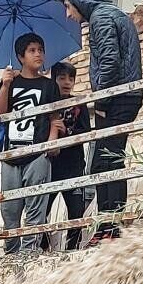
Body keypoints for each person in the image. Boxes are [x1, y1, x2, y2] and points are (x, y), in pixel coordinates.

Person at [57, 0, 143, 243]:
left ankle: (111, 229)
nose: (68, 14)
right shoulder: (110, 14)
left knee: (108, 160)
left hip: (117, 98)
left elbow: (109, 64)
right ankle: (108, 227)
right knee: (104, 160)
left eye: (69, 6)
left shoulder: (101, 18)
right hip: (123, 96)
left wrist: (102, 102)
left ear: (79, 1)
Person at [0, 32, 62, 255]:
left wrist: (51, 143)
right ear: (20, 56)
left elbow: (55, 118)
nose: (38, 54)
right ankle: (11, 253)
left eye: (40, 50)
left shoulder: (49, 85)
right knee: (10, 209)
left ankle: (29, 251)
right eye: (32, 51)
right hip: (12, 153)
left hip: (37, 152)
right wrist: (4, 85)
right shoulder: (11, 82)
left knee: (36, 205)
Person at [48, 61, 92, 251]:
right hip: (50, 166)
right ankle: (43, 246)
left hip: (73, 166)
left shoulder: (79, 105)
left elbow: (86, 132)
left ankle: (72, 248)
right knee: (42, 209)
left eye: (71, 78)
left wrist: (66, 132)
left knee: (76, 210)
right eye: (61, 78)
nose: (67, 82)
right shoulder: (47, 105)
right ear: (53, 80)